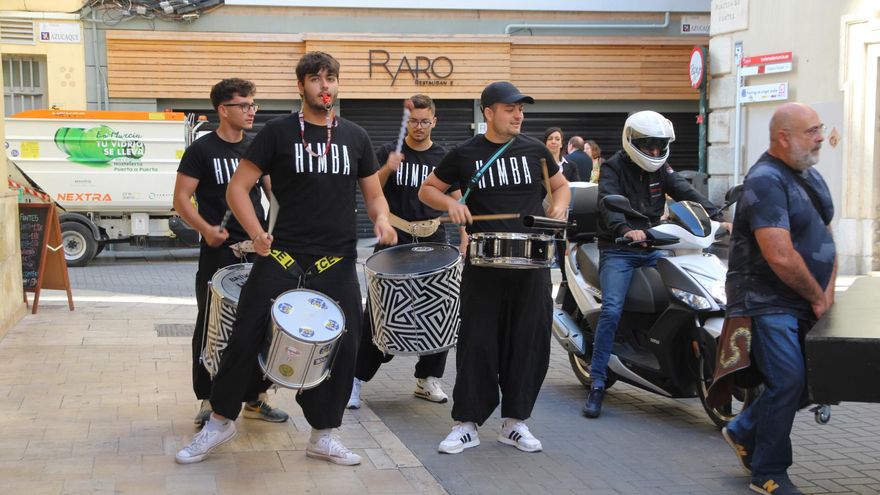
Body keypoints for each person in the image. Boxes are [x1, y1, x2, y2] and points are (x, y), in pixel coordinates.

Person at [175, 52, 397, 466]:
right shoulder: (277, 133)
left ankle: (323, 434)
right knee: (245, 336)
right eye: (316, 79)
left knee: (345, 343)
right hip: (281, 255)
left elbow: (373, 195)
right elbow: (237, 189)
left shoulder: (356, 137)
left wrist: (382, 219)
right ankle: (220, 421)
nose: (325, 86)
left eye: (331, 78)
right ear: (301, 87)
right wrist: (257, 233)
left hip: (336, 261)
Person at [420, 81, 570, 455]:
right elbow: (428, 190)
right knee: (478, 342)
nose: (518, 115)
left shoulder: (536, 151)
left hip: (532, 263)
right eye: (509, 109)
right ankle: (466, 423)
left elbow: (562, 187)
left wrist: (560, 206)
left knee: (528, 343)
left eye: (521, 109)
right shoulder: (465, 153)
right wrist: (450, 205)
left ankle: (515, 423)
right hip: (484, 262)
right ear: (488, 113)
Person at [720, 102, 836, 495]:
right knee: (788, 379)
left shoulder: (810, 175)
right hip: (764, 298)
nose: (820, 137)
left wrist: (826, 294)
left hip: (802, 297)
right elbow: (779, 255)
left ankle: (743, 428)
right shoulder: (766, 181)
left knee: (816, 378)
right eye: (812, 131)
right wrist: (818, 297)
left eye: (820, 128)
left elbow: (826, 236)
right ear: (783, 138)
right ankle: (768, 473)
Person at [583, 110, 727, 419]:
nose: (654, 152)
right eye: (648, 145)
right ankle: (597, 381)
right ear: (632, 141)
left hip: (655, 245)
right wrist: (624, 230)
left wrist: (717, 215)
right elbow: (608, 202)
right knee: (611, 310)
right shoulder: (613, 167)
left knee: (687, 295)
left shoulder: (662, 169)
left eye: (659, 146)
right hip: (619, 249)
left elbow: (686, 192)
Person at [172, 78, 288, 428]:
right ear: (224, 110)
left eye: (254, 105)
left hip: (257, 251)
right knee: (211, 324)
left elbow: (275, 194)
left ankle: (256, 397)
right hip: (219, 253)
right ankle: (208, 398)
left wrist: (273, 230)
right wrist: (206, 229)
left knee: (261, 323)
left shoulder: (256, 149)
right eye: (245, 105)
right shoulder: (201, 150)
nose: (253, 111)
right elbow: (180, 200)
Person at [347, 93, 462, 409]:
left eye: (425, 121)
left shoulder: (443, 156)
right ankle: (356, 380)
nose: (419, 127)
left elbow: (457, 197)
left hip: (434, 238)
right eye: (413, 121)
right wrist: (386, 168)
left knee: (439, 307)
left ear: (434, 121)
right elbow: (369, 188)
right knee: (380, 311)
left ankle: (427, 378)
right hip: (394, 237)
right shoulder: (388, 151)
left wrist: (464, 235)